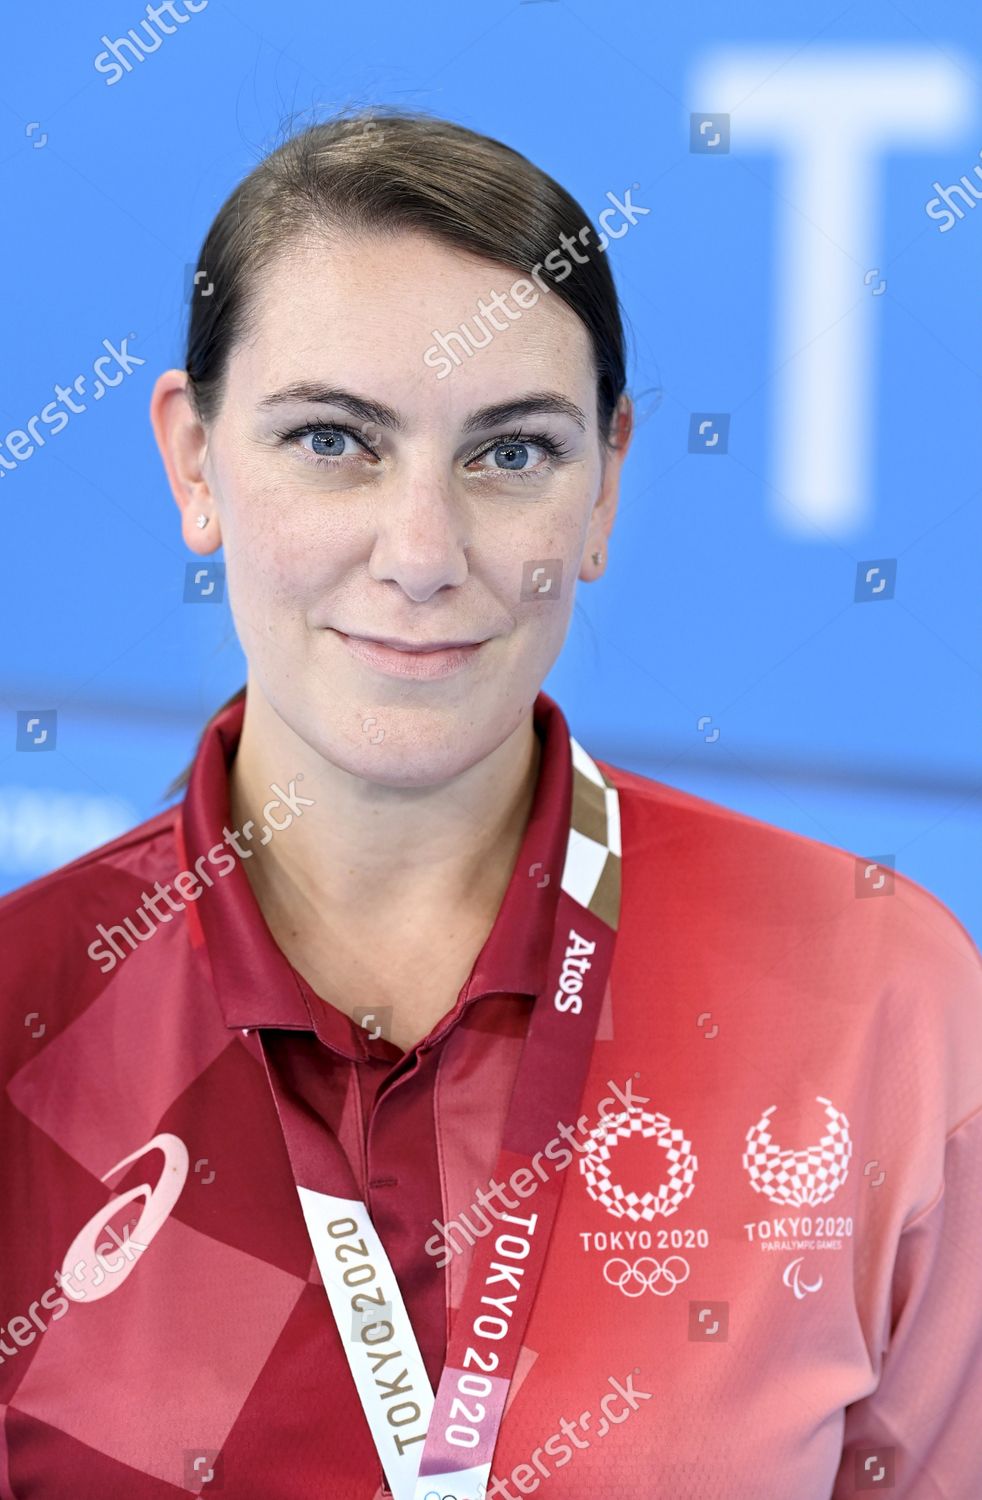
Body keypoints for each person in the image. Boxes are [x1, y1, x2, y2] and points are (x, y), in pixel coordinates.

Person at [0, 108, 980, 1500]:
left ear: (603, 485)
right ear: (194, 462)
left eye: (509, 452)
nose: (421, 553)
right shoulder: (26, 1013)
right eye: (333, 439)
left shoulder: (871, 987)